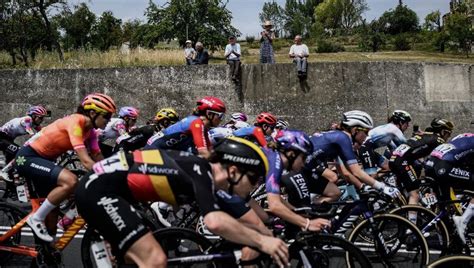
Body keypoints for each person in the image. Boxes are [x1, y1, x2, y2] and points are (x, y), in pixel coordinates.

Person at [75, 137, 289, 267]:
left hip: (115, 192)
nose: (254, 186)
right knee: (155, 260)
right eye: (253, 179)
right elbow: (215, 222)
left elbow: (240, 216)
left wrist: (266, 235)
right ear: (233, 171)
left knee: (138, 258)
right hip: (99, 191)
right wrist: (262, 242)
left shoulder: (206, 176)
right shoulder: (200, 171)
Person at [14, 93, 116, 242]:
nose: (110, 120)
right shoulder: (76, 122)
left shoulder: (91, 133)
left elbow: (98, 158)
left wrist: (116, 171)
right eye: (107, 116)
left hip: (45, 161)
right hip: (28, 158)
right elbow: (86, 162)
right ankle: (36, 218)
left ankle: (44, 258)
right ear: (92, 113)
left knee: (51, 227)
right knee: (71, 180)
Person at [389, 118, 454, 224]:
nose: (449, 136)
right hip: (403, 161)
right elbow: (440, 160)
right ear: (442, 132)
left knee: (408, 189)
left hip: (395, 159)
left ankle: (407, 210)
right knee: (414, 195)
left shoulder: (427, 135)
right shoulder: (438, 140)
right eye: (448, 133)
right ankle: (412, 227)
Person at [424, 133, 474, 244]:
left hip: (431, 163)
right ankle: (463, 221)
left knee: (445, 206)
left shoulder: (464, 136)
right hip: (443, 166)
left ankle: (446, 240)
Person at [145, 96, 225, 159]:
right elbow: (204, 153)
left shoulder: (200, 124)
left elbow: (210, 150)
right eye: (220, 116)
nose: (221, 119)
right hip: (152, 153)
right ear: (209, 114)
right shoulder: (197, 123)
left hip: (160, 152)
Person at [359, 110, 412, 176]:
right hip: (364, 148)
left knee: (389, 167)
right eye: (407, 123)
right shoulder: (394, 129)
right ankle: (366, 181)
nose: (408, 126)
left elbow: (395, 150)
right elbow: (407, 144)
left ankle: (373, 179)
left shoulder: (389, 132)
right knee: (372, 175)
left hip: (369, 149)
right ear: (401, 122)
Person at [114, 108, 180, 153]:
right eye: (172, 124)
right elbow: (122, 141)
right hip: (121, 151)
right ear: (165, 122)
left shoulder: (159, 133)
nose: (173, 127)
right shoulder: (149, 130)